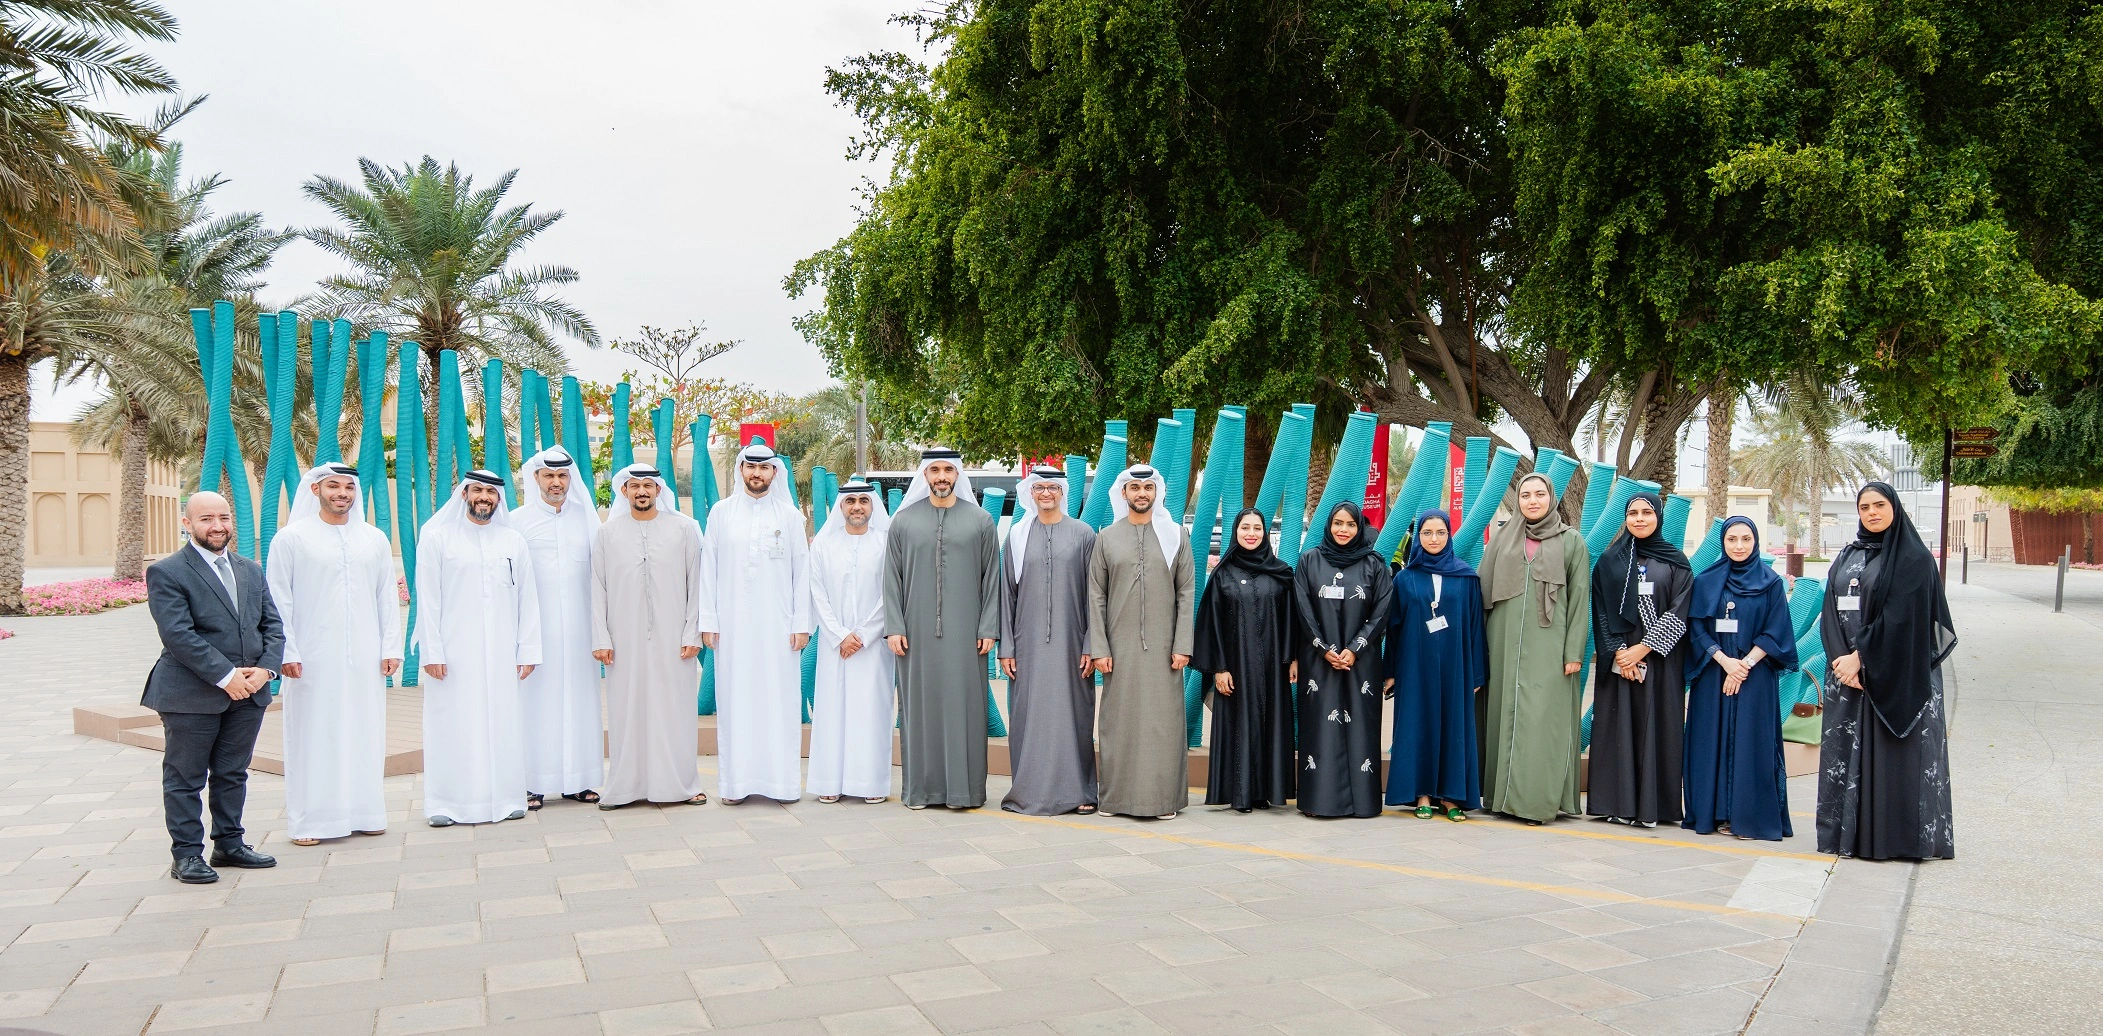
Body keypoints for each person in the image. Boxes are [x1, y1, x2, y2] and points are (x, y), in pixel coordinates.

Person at [143, 491, 284, 883]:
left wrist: (266, 671)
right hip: (191, 693)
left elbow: (272, 625)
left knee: (232, 772)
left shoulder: (250, 569)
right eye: (206, 519)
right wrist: (228, 677)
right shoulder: (168, 571)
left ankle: (229, 843)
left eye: (223, 517)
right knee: (185, 777)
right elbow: (178, 634)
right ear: (187, 523)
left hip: (250, 691)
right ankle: (187, 855)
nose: (218, 526)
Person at [1817, 482, 1957, 861]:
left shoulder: (1914, 558)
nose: (1872, 512)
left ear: (1894, 507)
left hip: (1897, 671)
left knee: (1896, 756)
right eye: (1864, 507)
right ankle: (1849, 837)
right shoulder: (1848, 554)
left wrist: (1860, 657)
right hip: (1846, 673)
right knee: (1846, 753)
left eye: (1879, 505)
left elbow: (1903, 618)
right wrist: (1839, 660)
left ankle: (1897, 840)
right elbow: (1829, 609)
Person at [267, 463, 402, 846]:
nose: (342, 493)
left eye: (348, 487)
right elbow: (278, 600)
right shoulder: (291, 539)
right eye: (333, 486)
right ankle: (311, 822)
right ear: (315, 490)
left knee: (365, 730)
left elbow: (386, 597)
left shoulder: (373, 539)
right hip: (310, 658)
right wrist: (286, 650)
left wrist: (390, 646)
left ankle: (366, 813)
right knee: (313, 734)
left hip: (365, 656)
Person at [413, 471, 542, 827]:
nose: (484, 497)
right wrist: (432, 652)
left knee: (503, 722)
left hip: (502, 650)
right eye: (477, 490)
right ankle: (446, 804)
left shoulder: (513, 541)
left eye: (491, 491)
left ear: (499, 498)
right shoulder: (438, 538)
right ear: (464, 494)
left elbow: (527, 598)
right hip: (454, 652)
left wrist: (528, 649)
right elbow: (428, 600)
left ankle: (506, 799)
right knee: (452, 724)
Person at [884, 448, 1002, 810]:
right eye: (934, 469)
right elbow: (891, 577)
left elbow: (991, 579)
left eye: (948, 469)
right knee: (918, 709)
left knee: (965, 709)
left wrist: (988, 628)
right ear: (924, 475)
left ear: (957, 475)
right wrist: (894, 626)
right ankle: (920, 790)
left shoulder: (980, 520)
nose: (941, 476)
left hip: (968, 636)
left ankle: (965, 793)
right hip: (914, 634)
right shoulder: (903, 522)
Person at [1477, 472, 1591, 825]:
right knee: (1503, 716)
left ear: (1551, 498)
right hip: (1503, 643)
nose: (1532, 501)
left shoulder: (1571, 542)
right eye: (1525, 495)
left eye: (1539, 494)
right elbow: (1481, 595)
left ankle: (1535, 803)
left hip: (1550, 648)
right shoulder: (1502, 539)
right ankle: (1500, 799)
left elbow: (1579, 601)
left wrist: (1573, 652)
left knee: (1543, 722)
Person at [698, 445, 810, 805]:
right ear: (740, 469)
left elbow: (801, 574)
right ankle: (735, 786)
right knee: (735, 701)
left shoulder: (790, 517)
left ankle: (782, 785)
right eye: (750, 466)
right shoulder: (721, 513)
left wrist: (801, 623)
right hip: (732, 628)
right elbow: (708, 570)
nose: (757, 473)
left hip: (779, 630)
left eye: (764, 468)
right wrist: (709, 620)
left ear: (775, 472)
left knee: (780, 702)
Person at [595, 464, 710, 809]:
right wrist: (601, 637)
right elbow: (597, 588)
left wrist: (693, 632)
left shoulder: (684, 529)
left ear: (659, 490)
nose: (641, 491)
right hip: (623, 638)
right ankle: (624, 788)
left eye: (648, 485)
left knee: (674, 710)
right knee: (626, 711)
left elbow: (696, 585)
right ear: (624, 491)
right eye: (634, 486)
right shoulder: (607, 533)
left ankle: (682, 785)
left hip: (675, 638)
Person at [1088, 465, 1196, 820]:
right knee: (1118, 722)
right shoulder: (1106, 538)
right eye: (1134, 487)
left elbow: (1186, 593)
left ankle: (1163, 801)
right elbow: (1097, 597)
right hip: (1118, 650)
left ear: (1157, 493)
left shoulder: (1175, 535)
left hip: (1166, 650)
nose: (1141, 494)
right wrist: (1100, 647)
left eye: (1147, 487)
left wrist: (1183, 644)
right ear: (1123, 493)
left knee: (1162, 724)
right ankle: (1117, 800)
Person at [1684, 516, 1798, 841]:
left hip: (1755, 676)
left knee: (1751, 741)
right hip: (1713, 674)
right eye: (1732, 539)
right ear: (1723, 542)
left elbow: (1776, 632)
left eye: (1745, 539)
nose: (1738, 546)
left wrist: (1743, 665)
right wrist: (1723, 661)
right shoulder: (1706, 581)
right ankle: (1714, 813)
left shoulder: (1771, 582)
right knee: (1711, 740)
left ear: (1756, 541)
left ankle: (1748, 817)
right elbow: (1697, 628)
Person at [1587, 492, 1693, 828]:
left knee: (1657, 724)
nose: (1639, 519)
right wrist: (1621, 653)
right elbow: (1601, 611)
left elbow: (1680, 612)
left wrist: (1643, 649)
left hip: (1660, 661)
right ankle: (1617, 803)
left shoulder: (1676, 562)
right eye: (1632, 513)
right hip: (1620, 661)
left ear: (1658, 517)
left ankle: (1654, 807)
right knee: (1620, 725)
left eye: (1647, 512)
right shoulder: (1610, 561)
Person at [998, 466, 1098, 815]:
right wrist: (1006, 647)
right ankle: (1028, 791)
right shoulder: (1017, 536)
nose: (1046, 494)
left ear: (1063, 492)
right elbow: (1005, 595)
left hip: (1074, 644)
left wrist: (1091, 644)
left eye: (1053, 488)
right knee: (1029, 715)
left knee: (1075, 715)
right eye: (1039, 488)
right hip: (1027, 645)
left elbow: (1095, 596)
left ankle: (1080, 792)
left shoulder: (1084, 534)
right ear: (1030, 492)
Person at [512, 446, 604, 809]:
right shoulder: (517, 521)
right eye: (549, 476)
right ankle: (532, 783)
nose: (556, 482)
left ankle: (579, 781)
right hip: (535, 632)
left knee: (581, 703)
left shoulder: (586, 519)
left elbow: (600, 577)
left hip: (581, 632)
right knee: (534, 705)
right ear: (536, 478)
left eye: (562, 476)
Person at [1290, 501, 1394, 818]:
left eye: (1350, 524)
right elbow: (1302, 609)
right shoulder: (1310, 561)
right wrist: (1323, 648)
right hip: (1318, 661)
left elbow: (1382, 611)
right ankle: (1319, 801)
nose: (1343, 530)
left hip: (1361, 662)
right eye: (1338, 523)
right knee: (1320, 729)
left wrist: (1355, 647)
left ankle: (1362, 803)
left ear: (1359, 528)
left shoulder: (1375, 564)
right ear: (1328, 525)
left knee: (1362, 728)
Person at [1192, 507, 1297, 813]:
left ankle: (1265, 792)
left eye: (1257, 529)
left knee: (1271, 723)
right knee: (1239, 724)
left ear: (1266, 534)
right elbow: (1211, 623)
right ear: (1235, 532)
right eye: (1244, 528)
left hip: (1273, 668)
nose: (1251, 534)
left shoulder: (1281, 572)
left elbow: (1293, 618)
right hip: (1235, 667)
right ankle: (1239, 794)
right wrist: (1219, 668)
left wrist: (1293, 658)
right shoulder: (1223, 574)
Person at [1384, 510, 1486, 822]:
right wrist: (1389, 672)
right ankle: (1423, 795)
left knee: (1454, 727)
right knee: (1418, 726)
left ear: (1448, 535)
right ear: (1418, 538)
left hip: (1457, 667)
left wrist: (1477, 672)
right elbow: (1394, 628)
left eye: (1440, 532)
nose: (1433, 539)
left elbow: (1476, 627)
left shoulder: (1467, 578)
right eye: (1427, 533)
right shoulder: (1404, 578)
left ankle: (1453, 797)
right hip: (1415, 666)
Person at [808, 480, 897, 804]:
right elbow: (816, 592)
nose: (857, 506)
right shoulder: (823, 544)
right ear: (841, 507)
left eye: (863, 500)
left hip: (873, 647)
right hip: (835, 647)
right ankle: (829, 781)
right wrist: (839, 635)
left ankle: (870, 784)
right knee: (831, 711)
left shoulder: (887, 543)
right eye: (850, 502)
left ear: (872, 506)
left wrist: (862, 635)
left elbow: (891, 592)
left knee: (871, 712)